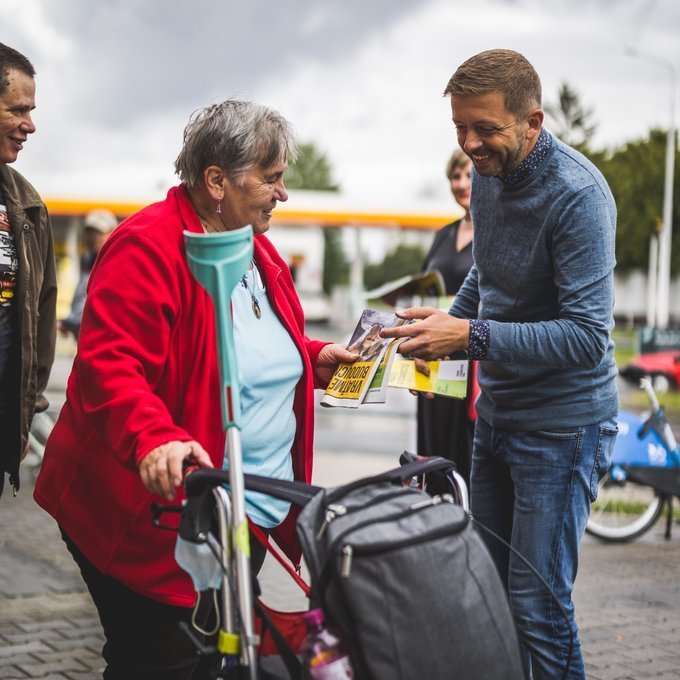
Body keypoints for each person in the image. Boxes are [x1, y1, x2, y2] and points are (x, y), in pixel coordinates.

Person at [34, 99, 357, 679]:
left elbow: (243, 346)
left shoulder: (254, 246)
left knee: (216, 655)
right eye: (272, 178)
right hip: (153, 516)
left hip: (241, 511)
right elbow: (112, 366)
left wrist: (312, 359)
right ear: (216, 181)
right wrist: (155, 438)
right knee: (166, 662)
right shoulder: (147, 246)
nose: (282, 194)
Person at [381, 49, 618, 679]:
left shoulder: (579, 195)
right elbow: (488, 275)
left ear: (533, 120)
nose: (470, 144)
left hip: (563, 431)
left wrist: (469, 336)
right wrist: (431, 327)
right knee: (490, 597)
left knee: (537, 606)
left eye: (485, 129)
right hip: (497, 420)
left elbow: (587, 336)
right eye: (460, 128)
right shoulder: (486, 179)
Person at [0, 43, 56, 497]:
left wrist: (24, 413)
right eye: (18, 109)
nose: (29, 125)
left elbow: (41, 310)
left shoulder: (28, 204)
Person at [416, 148, 476, 485]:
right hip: (432, 357)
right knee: (432, 451)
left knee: (464, 455)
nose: (462, 183)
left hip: (471, 357)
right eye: (456, 176)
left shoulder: (494, 232)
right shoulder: (443, 234)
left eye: (469, 175)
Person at [58, 208, 118, 340]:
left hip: (103, 335)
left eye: (99, 232)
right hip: (83, 330)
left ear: (113, 232)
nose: (93, 237)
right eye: (90, 232)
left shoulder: (117, 260)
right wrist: (69, 321)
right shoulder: (87, 258)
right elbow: (82, 294)